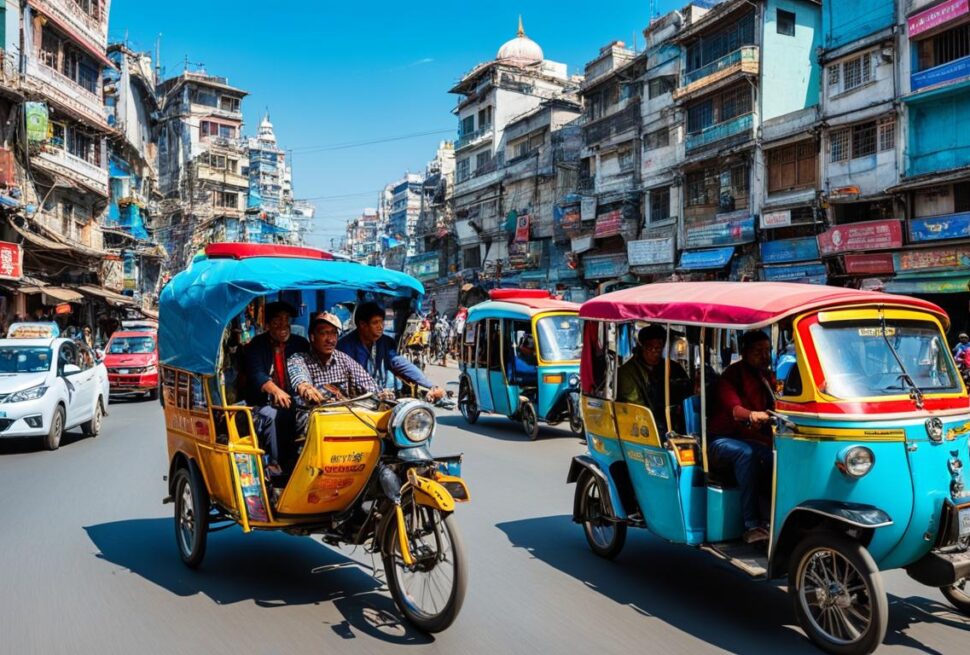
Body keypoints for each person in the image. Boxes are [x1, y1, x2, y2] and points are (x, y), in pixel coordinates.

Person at [707, 330, 776, 545]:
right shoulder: (731, 376)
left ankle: (772, 517)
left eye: (767, 351)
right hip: (721, 441)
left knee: (779, 455)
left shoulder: (768, 376)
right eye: (758, 352)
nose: (764, 356)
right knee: (746, 454)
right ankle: (751, 524)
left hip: (754, 438)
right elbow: (735, 410)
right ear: (745, 352)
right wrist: (752, 414)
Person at [288, 313, 384, 437]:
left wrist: (381, 395)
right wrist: (305, 387)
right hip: (313, 426)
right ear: (312, 337)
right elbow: (298, 375)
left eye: (334, 333)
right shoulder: (299, 359)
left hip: (343, 421)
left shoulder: (343, 359)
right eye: (324, 333)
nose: (330, 339)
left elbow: (368, 385)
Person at [242, 301, 310, 473]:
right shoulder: (256, 346)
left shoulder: (300, 343)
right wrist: (276, 391)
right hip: (264, 403)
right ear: (268, 325)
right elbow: (257, 374)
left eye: (286, 320)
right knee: (273, 416)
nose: (283, 325)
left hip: (295, 399)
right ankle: (275, 466)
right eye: (277, 321)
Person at [338, 301, 445, 402]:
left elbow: (400, 363)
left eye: (381, 322)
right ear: (362, 325)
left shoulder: (385, 342)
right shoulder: (344, 346)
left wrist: (430, 385)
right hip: (354, 398)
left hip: (382, 394)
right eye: (375, 322)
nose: (380, 327)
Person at [616, 324, 692, 435]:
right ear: (642, 346)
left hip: (674, 423)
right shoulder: (627, 372)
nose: (654, 351)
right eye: (650, 347)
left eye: (658, 348)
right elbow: (636, 405)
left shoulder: (673, 367)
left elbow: (687, 393)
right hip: (642, 425)